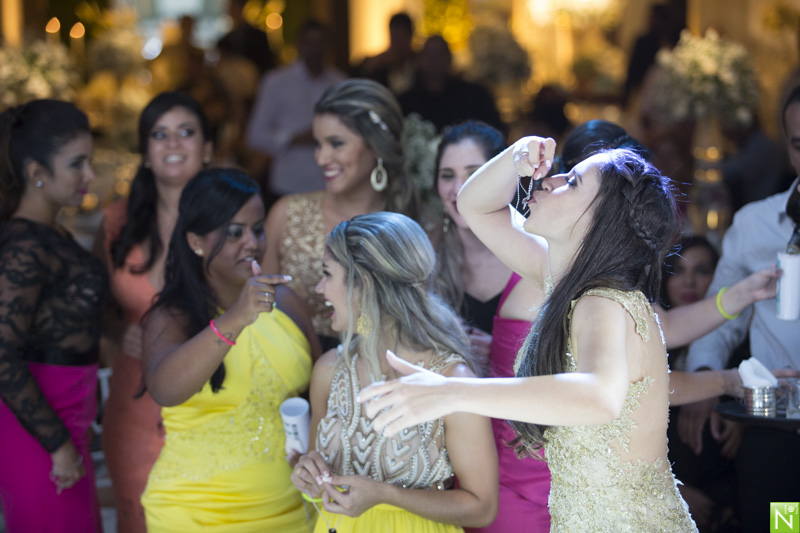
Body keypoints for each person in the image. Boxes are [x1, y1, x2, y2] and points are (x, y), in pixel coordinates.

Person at [357, 133, 778, 530]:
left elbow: (599, 395)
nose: (553, 177)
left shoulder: (603, 300)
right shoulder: (563, 277)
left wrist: (451, 392)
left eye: (572, 181)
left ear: (599, 221)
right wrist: (517, 155)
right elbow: (475, 205)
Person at [290, 212, 498, 532]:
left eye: (327, 274)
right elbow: (319, 471)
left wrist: (385, 495)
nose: (319, 288)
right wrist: (307, 472)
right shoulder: (329, 370)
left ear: (365, 284)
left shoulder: (452, 380)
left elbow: (482, 507)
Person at [140, 168, 320, 531]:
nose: (252, 243)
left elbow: (322, 391)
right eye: (234, 232)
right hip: (194, 512)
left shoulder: (285, 302)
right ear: (196, 242)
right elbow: (164, 389)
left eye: (257, 229)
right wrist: (235, 319)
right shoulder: (171, 315)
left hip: (289, 509)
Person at [683, 85, 800, 532]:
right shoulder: (754, 225)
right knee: (781, 527)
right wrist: (704, 380)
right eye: (799, 144)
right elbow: (719, 317)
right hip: (778, 433)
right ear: (788, 148)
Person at [95, 91, 213, 533]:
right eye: (159, 135)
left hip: (212, 398)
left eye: (186, 132)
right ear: (145, 152)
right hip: (135, 403)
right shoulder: (116, 223)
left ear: (208, 148)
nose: (174, 144)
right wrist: (113, 329)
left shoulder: (233, 219)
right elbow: (94, 308)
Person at [0, 100, 107, 532]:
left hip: (66, 421)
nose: (90, 176)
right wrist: (58, 444)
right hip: (39, 430)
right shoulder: (24, 247)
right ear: (35, 171)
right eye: (77, 164)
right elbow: (1, 356)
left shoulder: (51, 232)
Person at [262, 79, 419, 351]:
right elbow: (260, 317)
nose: (321, 158)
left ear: (376, 146)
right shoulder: (286, 215)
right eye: (318, 144)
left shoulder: (412, 222)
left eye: (336, 144)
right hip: (292, 376)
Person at [245, 20, 346, 199]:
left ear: (329, 46)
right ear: (299, 44)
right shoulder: (277, 82)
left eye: (321, 42)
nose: (315, 49)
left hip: (331, 185)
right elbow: (255, 135)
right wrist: (294, 138)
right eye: (310, 43)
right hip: (289, 185)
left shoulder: (340, 83)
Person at [398, 36, 503, 133]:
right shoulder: (406, 102)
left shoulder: (475, 96)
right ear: (419, 60)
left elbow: (494, 132)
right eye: (429, 54)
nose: (434, 60)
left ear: (449, 58)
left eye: (439, 54)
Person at [354, 12, 417, 96]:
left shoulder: (420, 65)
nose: (398, 45)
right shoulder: (379, 64)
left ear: (410, 36)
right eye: (395, 39)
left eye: (401, 39)